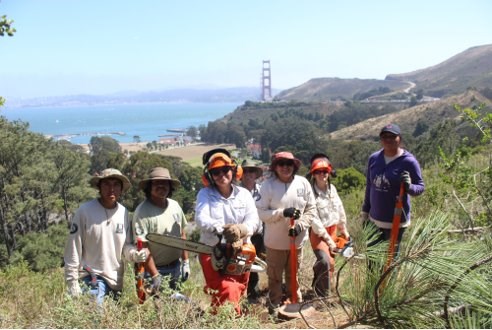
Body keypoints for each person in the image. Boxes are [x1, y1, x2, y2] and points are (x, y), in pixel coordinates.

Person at [256, 151, 331, 316]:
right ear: (275, 167)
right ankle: (274, 305)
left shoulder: (302, 183)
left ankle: (294, 303)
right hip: (274, 243)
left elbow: (311, 209)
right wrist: (282, 213)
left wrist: (300, 225)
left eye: (289, 164)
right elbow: (261, 213)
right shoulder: (267, 186)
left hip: (296, 242)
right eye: (281, 164)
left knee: (293, 275)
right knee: (275, 277)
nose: (285, 167)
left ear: (294, 166)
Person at [64, 168, 144, 306]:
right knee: (96, 320)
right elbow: (73, 247)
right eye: (107, 184)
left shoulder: (124, 213)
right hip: (92, 278)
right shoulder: (84, 211)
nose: (111, 189)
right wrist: (72, 282)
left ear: (121, 189)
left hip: (116, 281)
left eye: (116, 185)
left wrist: (133, 254)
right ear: (99, 187)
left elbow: (126, 245)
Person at [194, 149, 260, 315]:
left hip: (241, 250)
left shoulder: (244, 195)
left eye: (225, 170)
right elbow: (201, 219)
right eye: (216, 172)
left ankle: (223, 320)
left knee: (236, 289)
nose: (221, 174)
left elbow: (254, 221)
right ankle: (231, 322)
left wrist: (241, 230)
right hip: (213, 251)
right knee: (224, 288)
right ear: (210, 175)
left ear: (233, 171)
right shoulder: (205, 194)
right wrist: (223, 230)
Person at [361, 123, 425, 247]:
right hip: (373, 221)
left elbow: (420, 187)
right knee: (372, 263)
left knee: (390, 263)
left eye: (392, 136)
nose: (388, 140)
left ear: (399, 139)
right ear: (381, 140)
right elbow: (370, 186)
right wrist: (365, 212)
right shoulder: (374, 159)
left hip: (396, 222)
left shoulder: (408, 161)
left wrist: (409, 187)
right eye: (385, 137)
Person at [132, 167, 190, 299]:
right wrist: (155, 275)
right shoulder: (142, 212)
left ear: (170, 186)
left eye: (164, 183)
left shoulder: (175, 205)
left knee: (174, 310)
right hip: (154, 269)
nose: (161, 186)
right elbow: (143, 248)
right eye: (156, 183)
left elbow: (182, 234)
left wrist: (185, 261)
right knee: (164, 307)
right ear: (149, 187)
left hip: (175, 265)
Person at [308, 153, 350, 297]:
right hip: (319, 233)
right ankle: (324, 296)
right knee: (325, 260)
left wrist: (343, 230)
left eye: (325, 171)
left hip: (333, 230)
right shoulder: (311, 194)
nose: (322, 174)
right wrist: (329, 241)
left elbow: (339, 210)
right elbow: (315, 221)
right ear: (313, 174)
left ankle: (317, 286)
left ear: (329, 172)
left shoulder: (333, 189)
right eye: (318, 172)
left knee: (331, 262)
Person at [240, 159, 265, 302]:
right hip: (245, 235)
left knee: (268, 263)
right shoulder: (236, 192)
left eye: (252, 171)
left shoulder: (263, 190)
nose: (249, 174)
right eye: (246, 171)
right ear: (241, 174)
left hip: (263, 233)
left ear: (256, 174)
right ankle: (252, 295)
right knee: (248, 265)